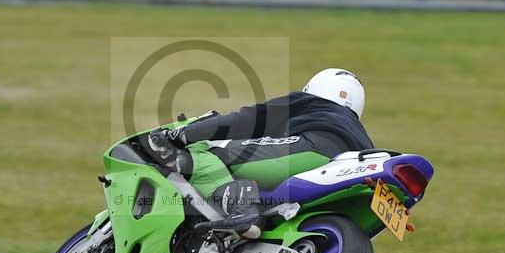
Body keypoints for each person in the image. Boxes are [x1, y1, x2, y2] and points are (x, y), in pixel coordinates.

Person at [148, 68, 374, 239]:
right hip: (351, 173)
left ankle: (243, 210)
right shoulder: (357, 131)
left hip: (313, 151)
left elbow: (248, 120)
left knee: (206, 151)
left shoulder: (308, 103)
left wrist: (184, 134)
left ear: (312, 88)